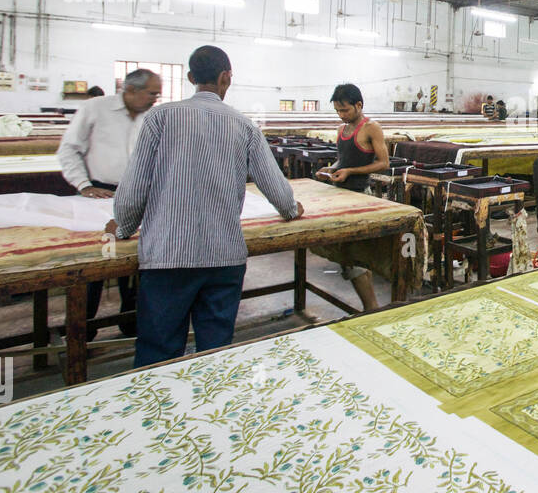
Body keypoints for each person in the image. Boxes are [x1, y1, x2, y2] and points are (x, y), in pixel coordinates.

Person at [109, 46, 302, 368]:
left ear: (190, 78)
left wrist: (123, 226)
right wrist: (291, 209)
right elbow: (278, 191)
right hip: (223, 259)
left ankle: (155, 411)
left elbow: (133, 189)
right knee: (214, 354)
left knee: (158, 353)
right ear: (226, 77)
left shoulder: (160, 117)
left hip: (167, 259)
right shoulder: (245, 127)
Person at [57, 68, 163, 330]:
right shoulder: (95, 109)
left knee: (136, 261)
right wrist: (84, 185)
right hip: (99, 195)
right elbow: (69, 150)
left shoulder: (152, 117)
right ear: (131, 90)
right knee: (98, 262)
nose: (155, 99)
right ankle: (85, 329)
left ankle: (129, 322)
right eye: (151, 93)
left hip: (137, 195)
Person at [313, 83, 391, 312]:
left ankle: (371, 308)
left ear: (359, 105)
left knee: (355, 255)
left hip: (359, 196)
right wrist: (331, 169)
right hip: (340, 195)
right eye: (338, 111)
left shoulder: (371, 128)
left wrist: (350, 172)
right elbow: (342, 161)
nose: (342, 115)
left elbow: (383, 163)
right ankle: (370, 307)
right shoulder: (342, 130)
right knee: (350, 256)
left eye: (345, 110)